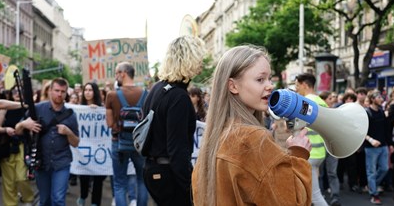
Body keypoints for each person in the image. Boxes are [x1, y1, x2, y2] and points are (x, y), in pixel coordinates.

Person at [192, 45, 312, 205]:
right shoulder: (252, 139)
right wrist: (299, 154)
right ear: (233, 86)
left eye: (269, 78)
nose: (270, 86)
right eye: (260, 79)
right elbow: (293, 201)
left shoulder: (214, 139)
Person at [141, 35, 206, 205]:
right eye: (199, 57)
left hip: (153, 171)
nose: (202, 63)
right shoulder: (178, 97)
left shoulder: (158, 88)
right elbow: (177, 151)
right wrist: (191, 190)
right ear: (189, 59)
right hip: (169, 175)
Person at [15, 77, 80, 206]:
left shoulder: (71, 115)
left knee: (58, 199)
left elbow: (76, 142)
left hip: (62, 162)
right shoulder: (38, 109)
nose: (59, 94)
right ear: (50, 91)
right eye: (56, 90)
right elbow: (17, 130)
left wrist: (68, 132)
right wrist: (23, 124)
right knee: (44, 200)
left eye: (62, 91)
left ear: (66, 92)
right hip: (42, 162)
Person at [105, 62, 148, 206]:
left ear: (123, 73)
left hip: (119, 142)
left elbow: (110, 123)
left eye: (117, 73)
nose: (116, 76)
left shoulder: (111, 95)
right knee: (142, 180)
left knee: (119, 183)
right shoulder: (145, 94)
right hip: (140, 144)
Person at [0, 86, 34, 206]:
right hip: (6, 147)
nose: (17, 93)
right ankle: (11, 204)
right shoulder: (4, 108)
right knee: (8, 181)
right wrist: (6, 129)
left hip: (22, 146)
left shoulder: (28, 109)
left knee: (22, 177)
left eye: (20, 91)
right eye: (15, 91)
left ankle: (28, 199)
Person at [295, 73, 330, 206]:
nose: (297, 89)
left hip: (309, 153)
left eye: (297, 86)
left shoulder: (306, 103)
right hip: (319, 153)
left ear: (304, 85)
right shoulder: (322, 102)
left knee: (314, 196)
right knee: (309, 194)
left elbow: (297, 125)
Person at [76, 82, 107, 206]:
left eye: (90, 90)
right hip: (84, 149)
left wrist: (98, 110)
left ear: (95, 92)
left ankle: (95, 202)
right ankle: (83, 195)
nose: (87, 92)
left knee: (98, 177)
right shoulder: (78, 109)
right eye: (86, 90)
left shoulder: (102, 109)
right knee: (84, 174)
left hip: (99, 148)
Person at [364, 90, 390, 205]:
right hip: (371, 147)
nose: (381, 99)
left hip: (383, 145)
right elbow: (361, 131)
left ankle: (372, 185)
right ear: (372, 99)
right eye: (378, 97)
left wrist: (389, 144)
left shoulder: (381, 111)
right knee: (371, 171)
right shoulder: (366, 112)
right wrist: (371, 140)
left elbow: (385, 130)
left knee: (385, 168)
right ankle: (374, 194)